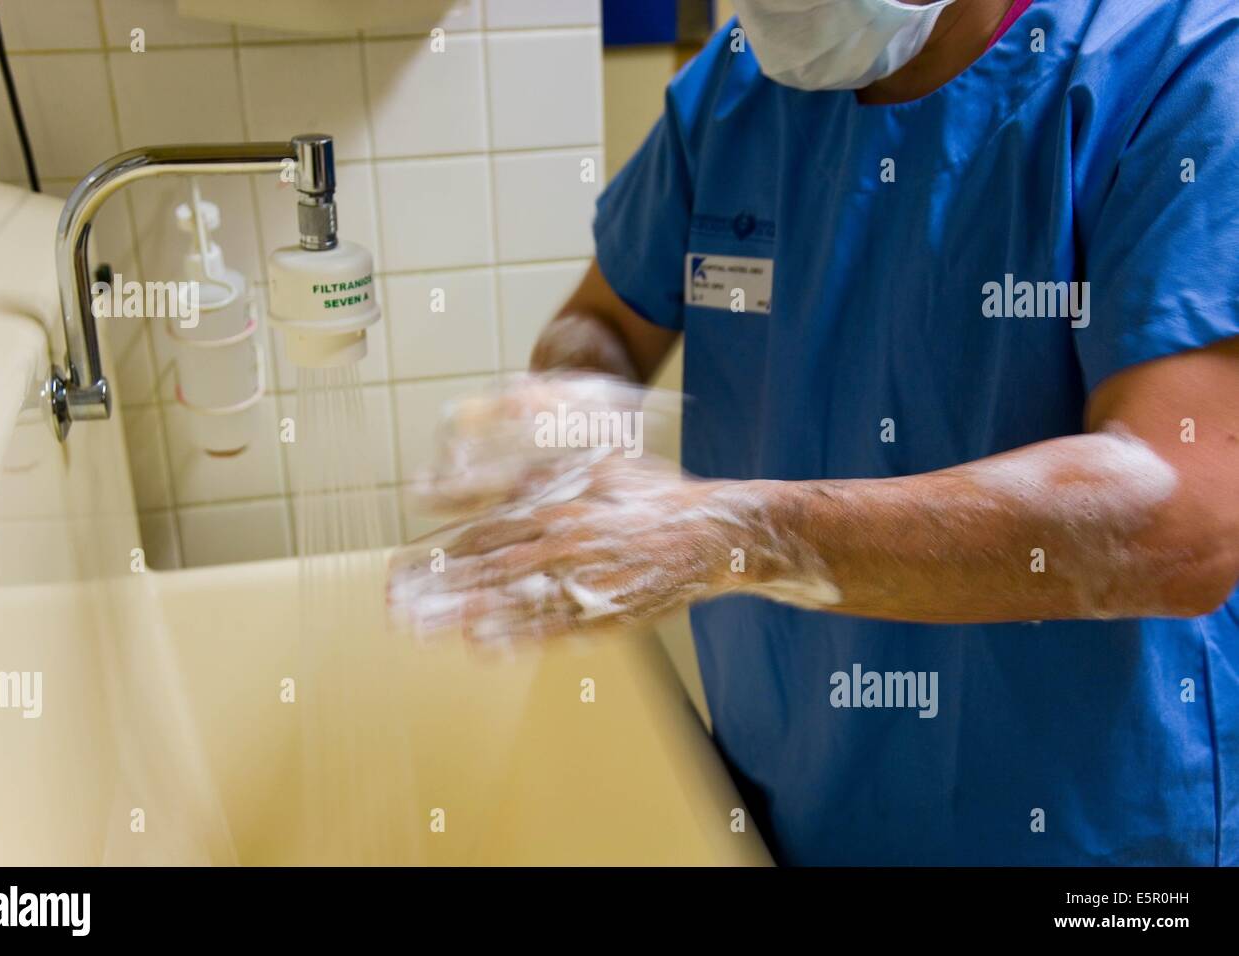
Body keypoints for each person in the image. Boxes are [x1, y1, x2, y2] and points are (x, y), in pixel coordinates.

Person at [394, 0, 1239, 865]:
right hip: (790, 792)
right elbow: (606, 320)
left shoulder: (1176, 68)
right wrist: (569, 400)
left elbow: (1176, 525)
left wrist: (742, 534)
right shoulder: (738, 84)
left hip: (1074, 837)